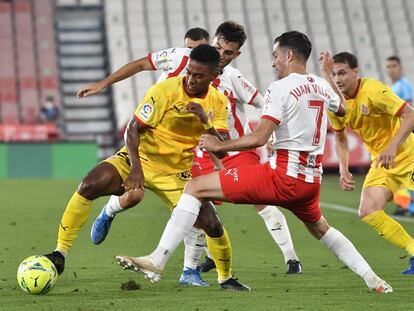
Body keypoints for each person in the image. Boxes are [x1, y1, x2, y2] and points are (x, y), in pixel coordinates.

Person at [115, 31, 392, 293]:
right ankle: (374, 279)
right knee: (321, 228)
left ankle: (157, 261)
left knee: (195, 188)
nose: (273, 62)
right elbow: (342, 108)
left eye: (275, 55)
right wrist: (326, 76)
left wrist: (219, 144)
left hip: (281, 176)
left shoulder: (280, 88)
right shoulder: (320, 86)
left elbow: (259, 137)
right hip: (310, 182)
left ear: (289, 55)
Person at [81, 21, 301, 286]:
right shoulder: (180, 58)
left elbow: (263, 104)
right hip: (167, 142)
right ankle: (111, 213)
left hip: (209, 149)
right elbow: (141, 65)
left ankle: (192, 269)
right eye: (219, 48)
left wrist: (271, 133)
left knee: (212, 205)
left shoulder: (232, 79)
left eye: (229, 53)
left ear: (236, 55)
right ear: (212, 42)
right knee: (139, 196)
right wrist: (104, 83)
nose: (222, 56)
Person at [44, 45, 250, 291]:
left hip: (176, 173)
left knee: (212, 224)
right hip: (139, 158)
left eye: (198, 76)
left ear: (213, 77)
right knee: (89, 184)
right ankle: (60, 253)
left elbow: (223, 148)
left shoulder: (217, 102)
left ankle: (225, 278)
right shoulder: (165, 89)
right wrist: (136, 168)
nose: (191, 79)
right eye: (189, 72)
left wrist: (205, 122)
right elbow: (133, 128)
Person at [329, 52, 414, 274]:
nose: (338, 79)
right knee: (368, 210)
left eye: (343, 73)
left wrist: (392, 146)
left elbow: (410, 115)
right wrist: (343, 168)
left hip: (408, 156)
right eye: (334, 74)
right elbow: (340, 139)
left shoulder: (374, 91)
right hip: (383, 163)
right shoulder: (336, 105)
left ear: (355, 72)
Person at [386, 56, 414, 216]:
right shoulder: (394, 86)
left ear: (400, 67)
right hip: (395, 134)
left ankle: (409, 207)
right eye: (388, 66)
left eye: (394, 66)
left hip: (405, 135)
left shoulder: (404, 86)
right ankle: (403, 205)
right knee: (398, 171)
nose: (391, 69)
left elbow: (409, 109)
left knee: (407, 170)